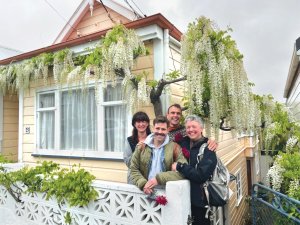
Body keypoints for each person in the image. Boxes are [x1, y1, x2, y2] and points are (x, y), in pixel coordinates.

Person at [172, 115, 217, 225]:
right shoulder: (183, 143)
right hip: (182, 197)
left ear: (201, 128)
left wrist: (180, 167)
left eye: (194, 127)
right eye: (188, 127)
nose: (191, 130)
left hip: (199, 202)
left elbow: (201, 175)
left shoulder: (209, 148)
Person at [130, 115, 188, 194]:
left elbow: (183, 171)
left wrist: (158, 179)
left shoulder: (175, 148)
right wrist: (143, 184)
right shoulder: (142, 146)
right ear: (153, 128)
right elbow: (133, 169)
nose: (160, 132)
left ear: (167, 130)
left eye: (163, 129)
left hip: (166, 194)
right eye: (157, 128)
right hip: (145, 192)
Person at [123, 111, 151, 184]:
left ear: (147, 123)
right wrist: (137, 150)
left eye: (143, 121)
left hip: (150, 178)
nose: (141, 124)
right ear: (134, 124)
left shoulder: (153, 139)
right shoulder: (129, 140)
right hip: (134, 179)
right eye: (138, 122)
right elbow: (128, 163)